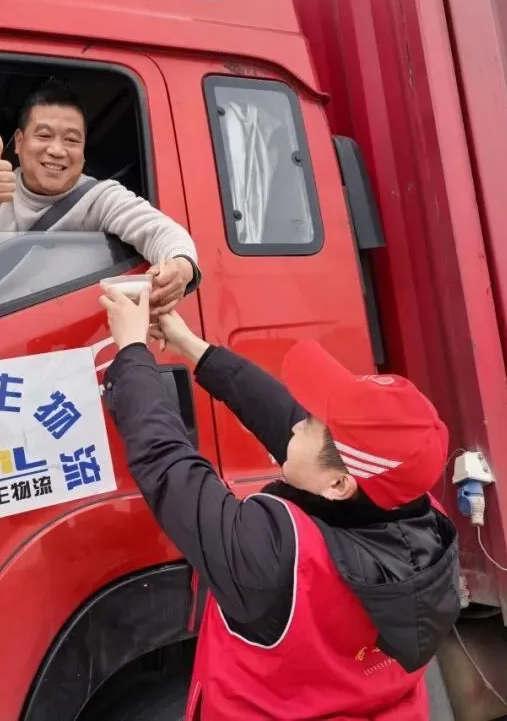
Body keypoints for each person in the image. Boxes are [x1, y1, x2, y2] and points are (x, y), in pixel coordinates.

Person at [98, 286, 462, 721]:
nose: (294, 427)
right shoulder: (421, 515)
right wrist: (192, 347)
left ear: (339, 484)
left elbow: (167, 465)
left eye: (308, 423)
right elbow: (288, 422)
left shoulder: (278, 557)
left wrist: (132, 354)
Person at [0, 80, 200, 312]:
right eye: (44, 136)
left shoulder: (100, 197)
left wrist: (181, 265)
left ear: (83, 150)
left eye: (71, 140)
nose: (57, 150)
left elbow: (161, 231)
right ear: (19, 142)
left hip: (63, 348)